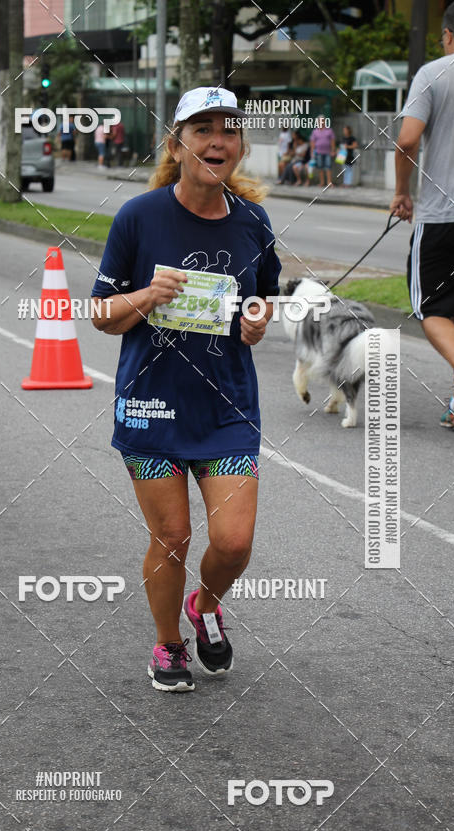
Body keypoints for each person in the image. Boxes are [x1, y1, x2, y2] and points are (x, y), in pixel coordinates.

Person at [90, 86, 281, 693]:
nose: (216, 140)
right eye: (202, 130)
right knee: (172, 537)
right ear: (177, 144)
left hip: (225, 407)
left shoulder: (253, 222)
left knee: (233, 541)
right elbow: (99, 313)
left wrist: (256, 320)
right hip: (151, 406)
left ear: (240, 146)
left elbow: (261, 298)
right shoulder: (139, 217)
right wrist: (147, 295)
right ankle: (168, 643)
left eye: (227, 130)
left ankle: (205, 605)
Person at [391, 0, 454, 431]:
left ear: (446, 34)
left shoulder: (434, 72)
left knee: (431, 304)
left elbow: (407, 140)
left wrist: (403, 192)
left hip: (444, 212)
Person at [310, 117, 336, 187]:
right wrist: (312, 152)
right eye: (319, 121)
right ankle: (322, 182)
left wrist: (333, 150)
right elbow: (312, 142)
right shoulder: (315, 131)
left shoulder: (329, 130)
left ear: (324, 122)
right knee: (320, 167)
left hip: (328, 151)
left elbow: (332, 141)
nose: (321, 122)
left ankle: (329, 182)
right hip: (318, 152)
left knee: (328, 167)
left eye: (322, 121)